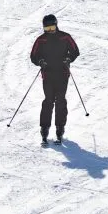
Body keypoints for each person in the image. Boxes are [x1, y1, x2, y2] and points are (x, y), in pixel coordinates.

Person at [29, 14, 80, 145]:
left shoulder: (65, 37)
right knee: (48, 101)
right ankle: (44, 128)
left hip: (62, 73)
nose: (50, 31)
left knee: (61, 100)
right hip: (48, 74)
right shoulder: (41, 40)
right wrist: (40, 61)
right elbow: (33, 56)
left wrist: (69, 59)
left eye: (52, 27)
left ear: (56, 25)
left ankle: (60, 128)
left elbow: (75, 51)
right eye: (47, 29)